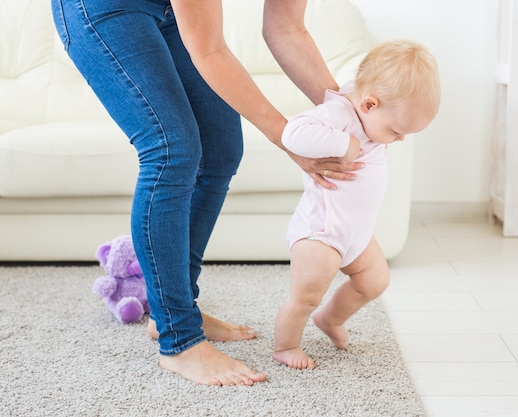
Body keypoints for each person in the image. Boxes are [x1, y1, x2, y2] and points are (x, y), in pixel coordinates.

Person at [51, 0, 363, 387]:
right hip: (103, 7)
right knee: (171, 150)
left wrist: (352, 120)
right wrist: (289, 139)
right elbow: (209, 49)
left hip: (166, 8)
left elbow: (287, 29)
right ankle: (179, 339)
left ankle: (177, 309)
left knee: (221, 148)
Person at [273, 40, 441, 369]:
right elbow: (294, 132)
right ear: (368, 104)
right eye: (396, 130)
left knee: (375, 281)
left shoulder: (371, 116)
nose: (400, 138)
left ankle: (330, 319)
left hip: (356, 234)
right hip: (320, 233)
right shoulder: (340, 115)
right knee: (305, 295)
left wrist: (386, 131)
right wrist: (342, 142)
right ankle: (286, 346)